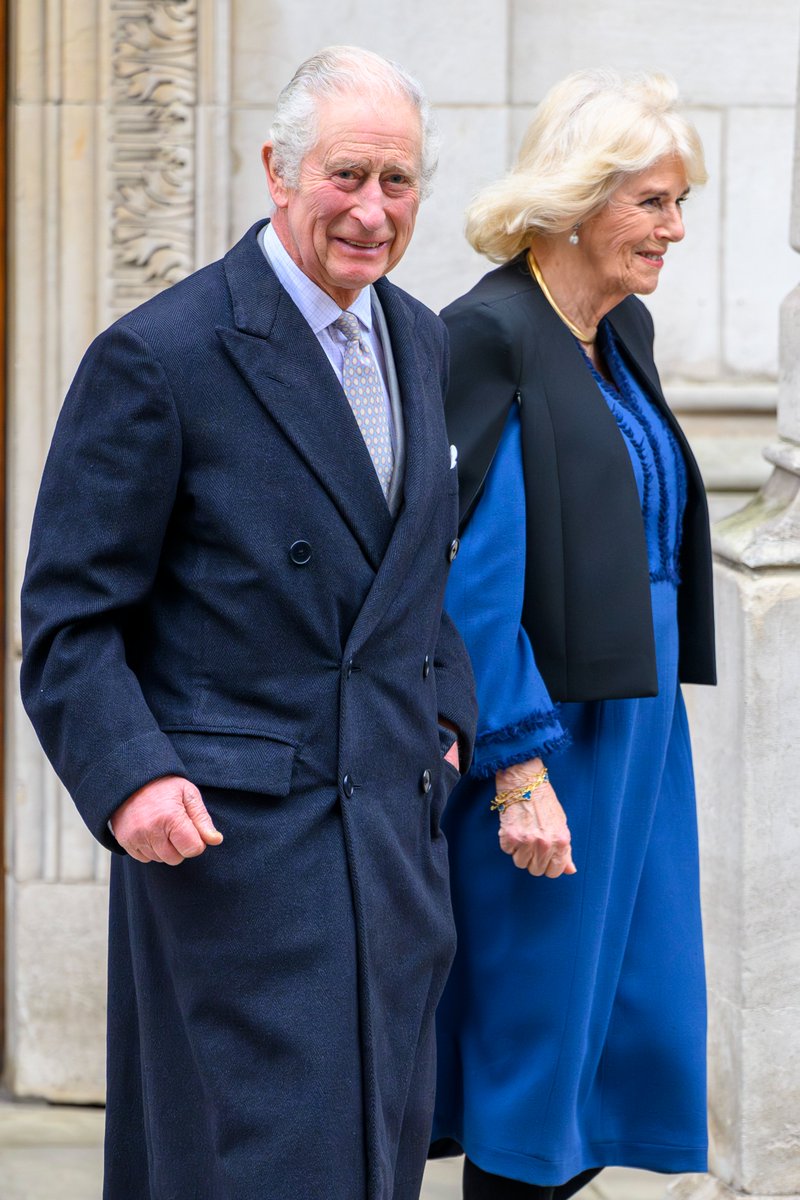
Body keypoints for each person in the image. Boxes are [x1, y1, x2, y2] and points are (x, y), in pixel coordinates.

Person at [20, 45, 476, 1200]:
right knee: (251, 1167)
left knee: (376, 1162)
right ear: (276, 171)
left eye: (399, 182)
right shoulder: (160, 356)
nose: (372, 212)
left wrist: (447, 722)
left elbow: (417, 579)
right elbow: (68, 618)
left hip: (390, 843)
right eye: (346, 176)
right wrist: (130, 779)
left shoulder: (420, 338)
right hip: (239, 859)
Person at [429, 69, 716, 1199]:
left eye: (676, 202)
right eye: (651, 202)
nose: (672, 230)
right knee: (534, 1051)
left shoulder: (618, 328)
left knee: (617, 1037)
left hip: (639, 732)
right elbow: (469, 588)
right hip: (547, 739)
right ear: (577, 199)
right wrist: (516, 771)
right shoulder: (488, 334)